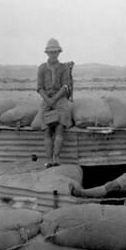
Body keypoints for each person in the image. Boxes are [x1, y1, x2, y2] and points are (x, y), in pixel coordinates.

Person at [37, 38, 73, 167]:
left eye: (55, 52)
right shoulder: (41, 68)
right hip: (46, 100)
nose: (53, 54)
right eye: (51, 52)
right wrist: (48, 100)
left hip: (60, 100)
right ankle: (49, 160)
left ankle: (56, 158)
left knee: (59, 128)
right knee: (46, 130)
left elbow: (65, 86)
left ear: (59, 53)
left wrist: (55, 99)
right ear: (47, 53)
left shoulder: (63, 68)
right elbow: (39, 88)